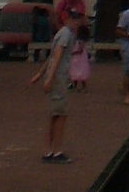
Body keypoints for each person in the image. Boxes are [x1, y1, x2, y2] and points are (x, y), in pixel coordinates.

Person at [30, 10, 78, 162]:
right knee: (60, 114)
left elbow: (51, 57)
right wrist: (49, 78)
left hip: (56, 76)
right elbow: (57, 55)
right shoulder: (66, 34)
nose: (77, 22)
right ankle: (56, 151)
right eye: (74, 19)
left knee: (55, 113)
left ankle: (51, 150)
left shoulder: (61, 33)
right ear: (67, 19)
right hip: (59, 77)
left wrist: (41, 74)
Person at [69, 20, 91, 91]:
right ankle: (77, 86)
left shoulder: (80, 41)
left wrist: (72, 53)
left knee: (78, 72)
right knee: (77, 72)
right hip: (78, 59)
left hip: (78, 59)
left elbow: (80, 50)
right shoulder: (80, 40)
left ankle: (80, 87)